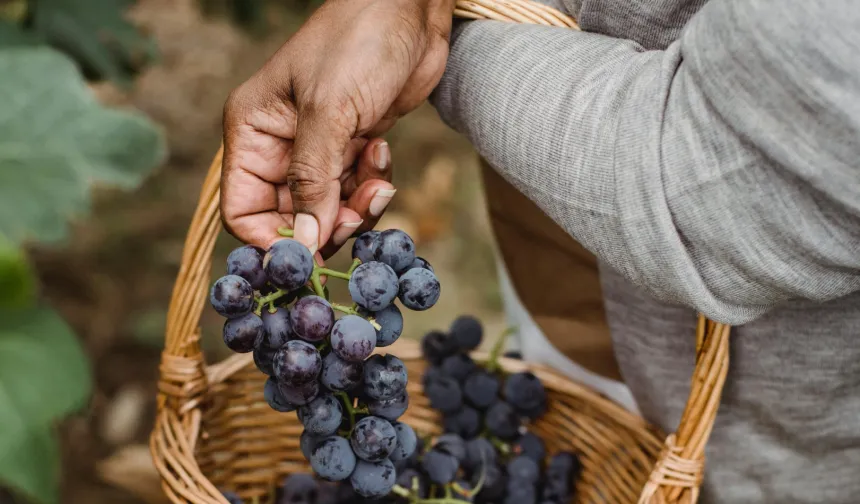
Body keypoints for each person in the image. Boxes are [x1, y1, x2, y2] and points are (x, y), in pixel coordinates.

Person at [219, 0, 860, 501]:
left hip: (778, 405)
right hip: (562, 227)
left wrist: (442, 34)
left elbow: (722, 183)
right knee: (554, 402)